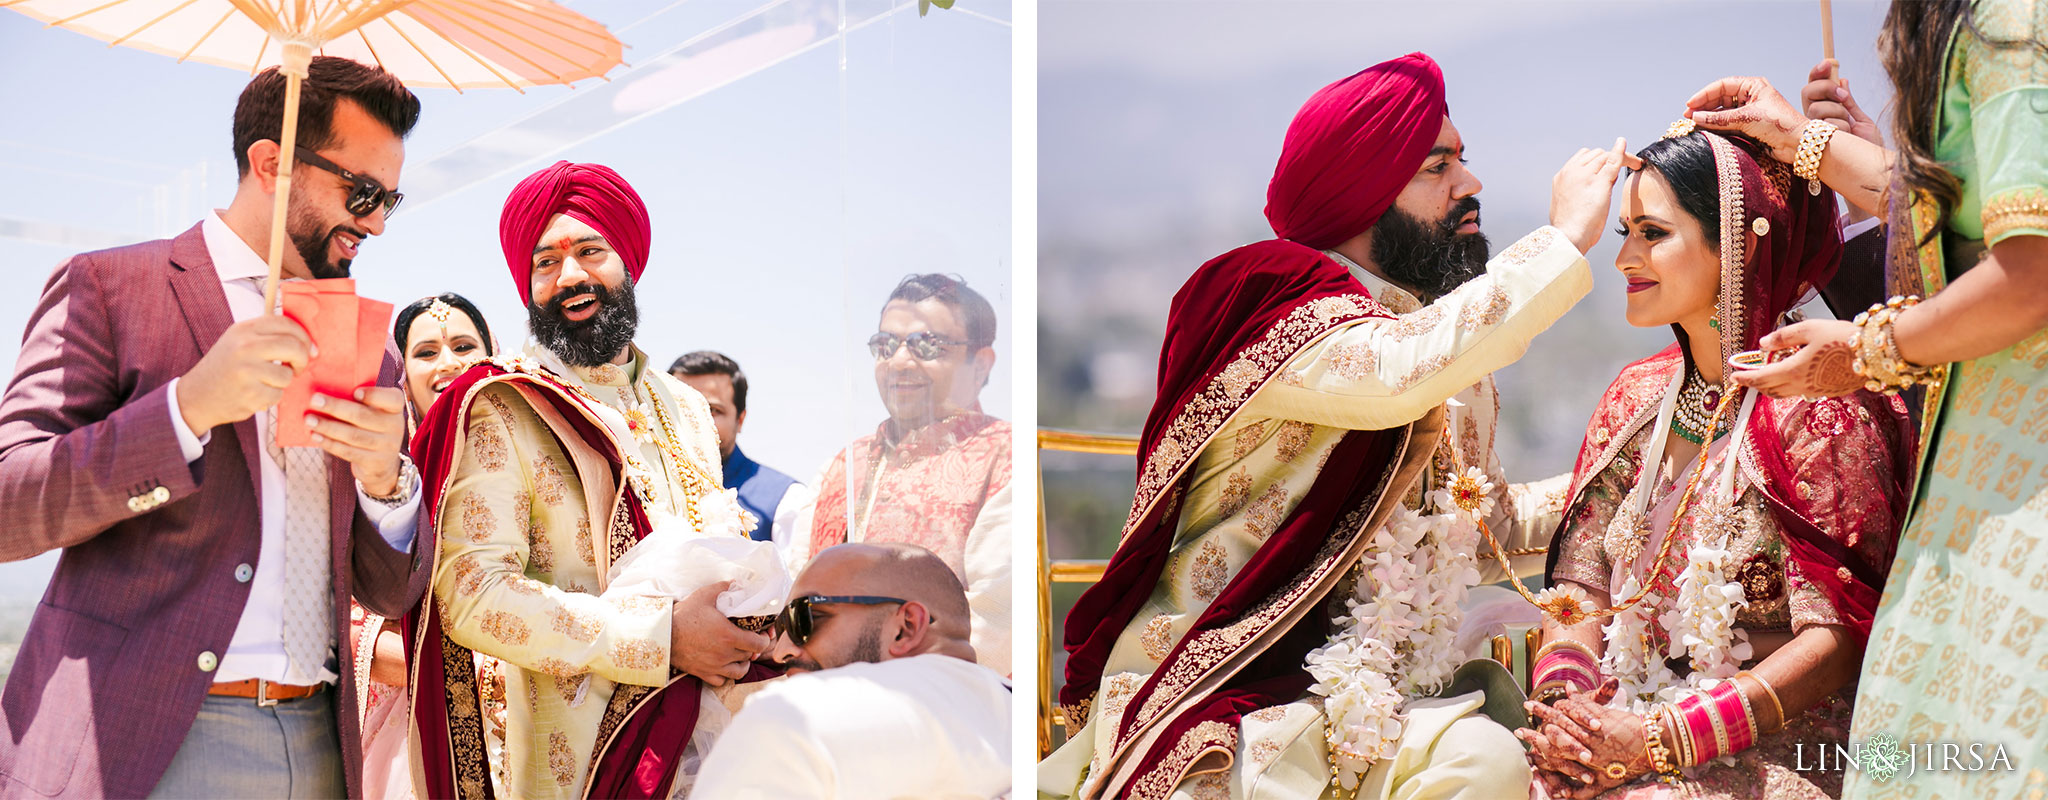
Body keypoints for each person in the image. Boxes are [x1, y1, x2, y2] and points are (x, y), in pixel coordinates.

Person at [1041, 51, 1622, 799]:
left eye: (1463, 161)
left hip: (1376, 698)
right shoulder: (1273, 302)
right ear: (1362, 193)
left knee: (1491, 757)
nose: (1470, 184)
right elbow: (1394, 375)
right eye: (1436, 166)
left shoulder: (1447, 354)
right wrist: (1565, 239)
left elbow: (1484, 534)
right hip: (1228, 687)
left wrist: (1632, 477)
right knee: (1488, 759)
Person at [0, 57, 427, 798]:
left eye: (391, 198)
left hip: (322, 743)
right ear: (271, 163)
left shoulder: (372, 345)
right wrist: (185, 409)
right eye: (362, 193)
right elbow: (10, 507)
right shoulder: (109, 287)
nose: (378, 222)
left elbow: (389, 594)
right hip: (145, 738)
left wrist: (386, 484)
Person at [1679, 2, 2048, 797]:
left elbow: (2030, 273)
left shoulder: (2010, 22)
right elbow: (1951, 218)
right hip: (1978, 458)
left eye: (1655, 229)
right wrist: (1797, 137)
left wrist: (1866, 353)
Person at [1517, 127, 1913, 799]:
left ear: (1737, 244)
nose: (1625, 260)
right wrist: (1568, 709)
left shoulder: (1818, 403)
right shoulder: (1635, 397)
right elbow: (1579, 582)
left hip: (1785, 737)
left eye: (1653, 233)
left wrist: (1659, 742)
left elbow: (1839, 638)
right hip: (1629, 712)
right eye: (1624, 233)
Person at [405, 161, 772, 800]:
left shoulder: (684, 406)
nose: (569, 275)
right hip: (576, 765)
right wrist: (662, 637)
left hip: (712, 747)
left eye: (590, 252)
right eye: (544, 262)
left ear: (628, 261)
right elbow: (470, 594)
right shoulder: (503, 404)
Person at [798, 273, 1012, 676]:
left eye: (926, 345)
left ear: (980, 364)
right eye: (885, 346)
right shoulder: (842, 466)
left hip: (946, 710)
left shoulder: (1003, 456)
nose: (898, 362)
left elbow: (997, 624)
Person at [691, 542, 1010, 799]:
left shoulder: (793, 719)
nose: (782, 651)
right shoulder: (1015, 716)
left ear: (906, 627)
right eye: (780, 627)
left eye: (806, 618)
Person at [350, 292, 499, 800]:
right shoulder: (382, 484)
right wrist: (478, 671)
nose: (449, 363)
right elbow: (350, 626)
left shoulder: (544, 461)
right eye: (427, 352)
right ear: (403, 377)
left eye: (463, 345)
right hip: (414, 725)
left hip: (535, 714)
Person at [669, 350, 810, 559]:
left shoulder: (786, 500)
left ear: (740, 420)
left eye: (713, 410)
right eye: (681, 407)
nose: (694, 420)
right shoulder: (638, 488)